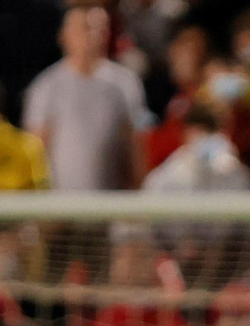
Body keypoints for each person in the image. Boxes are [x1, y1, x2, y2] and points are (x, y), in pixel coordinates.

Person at [22, 5, 152, 191]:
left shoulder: (126, 82)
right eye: (85, 28)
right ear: (64, 36)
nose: (93, 35)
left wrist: (138, 192)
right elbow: (35, 149)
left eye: (100, 29)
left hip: (110, 202)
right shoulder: (46, 86)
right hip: (60, 204)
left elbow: (136, 143)